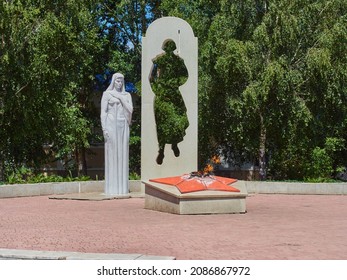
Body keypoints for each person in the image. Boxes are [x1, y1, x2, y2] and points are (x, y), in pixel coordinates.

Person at [150, 40, 189, 165]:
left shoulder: (178, 61)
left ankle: (174, 144)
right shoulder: (159, 60)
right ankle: (161, 150)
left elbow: (185, 75)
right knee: (161, 124)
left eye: (170, 48)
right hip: (162, 96)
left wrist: (175, 82)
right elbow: (152, 77)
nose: (169, 50)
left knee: (178, 122)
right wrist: (157, 90)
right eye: (167, 48)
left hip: (174, 96)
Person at [100, 73, 133, 195]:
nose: (119, 83)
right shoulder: (107, 94)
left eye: (121, 81)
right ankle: (112, 188)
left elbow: (130, 110)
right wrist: (104, 129)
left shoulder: (127, 95)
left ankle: (122, 188)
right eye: (117, 81)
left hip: (123, 125)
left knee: (122, 153)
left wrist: (122, 99)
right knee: (112, 153)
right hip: (111, 125)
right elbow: (103, 112)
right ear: (113, 81)